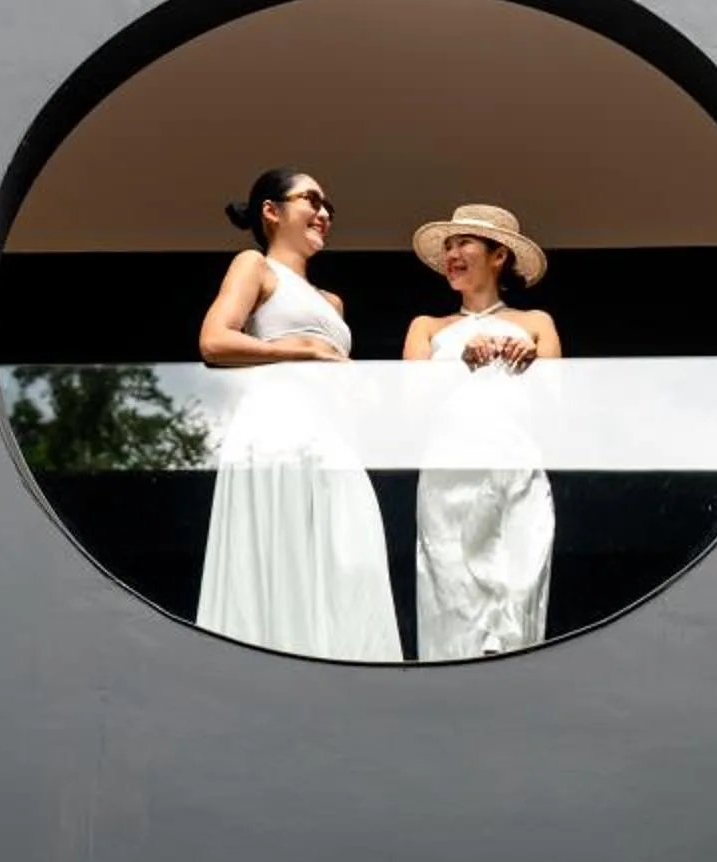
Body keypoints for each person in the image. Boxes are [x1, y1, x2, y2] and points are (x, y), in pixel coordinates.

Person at [193, 169, 402, 661]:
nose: (324, 213)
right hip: (275, 428)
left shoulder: (332, 302)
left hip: (330, 439)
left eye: (328, 206)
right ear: (272, 211)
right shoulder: (256, 266)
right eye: (311, 200)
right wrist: (301, 352)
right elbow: (214, 340)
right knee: (282, 553)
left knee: (350, 560)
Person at [402, 204, 560, 660]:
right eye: (448, 246)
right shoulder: (427, 327)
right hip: (450, 474)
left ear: (499, 255)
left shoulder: (535, 323)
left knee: (519, 586)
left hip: (516, 467)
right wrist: (458, 364)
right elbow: (408, 410)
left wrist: (531, 363)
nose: (451, 254)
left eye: (464, 243)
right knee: (453, 596)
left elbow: (558, 412)